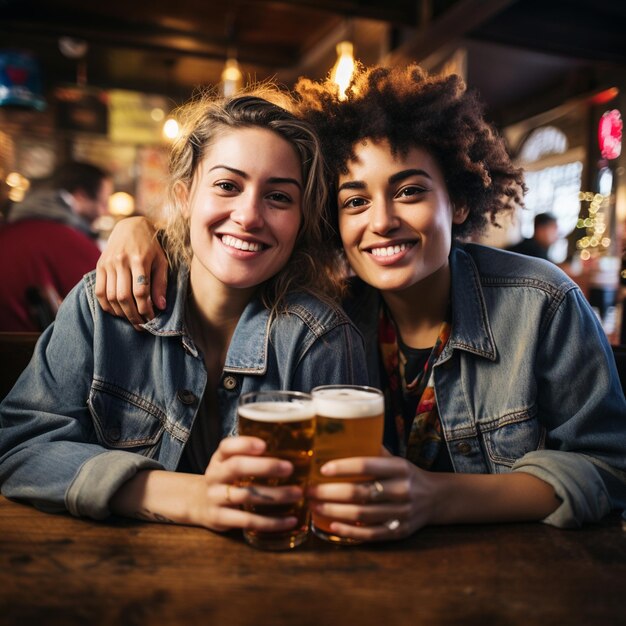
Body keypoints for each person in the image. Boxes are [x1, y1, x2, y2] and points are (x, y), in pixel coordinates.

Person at [92, 65, 626, 541]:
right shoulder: (330, 315)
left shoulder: (542, 302)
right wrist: (143, 230)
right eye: (354, 201)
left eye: (410, 191)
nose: (381, 220)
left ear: (460, 201)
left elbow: (610, 468)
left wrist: (437, 498)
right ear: (329, 217)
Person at [0, 90, 368, 536]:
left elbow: (338, 500)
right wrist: (186, 496)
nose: (249, 216)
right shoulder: (103, 306)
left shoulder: (320, 337)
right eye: (227, 186)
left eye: (279, 197)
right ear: (184, 195)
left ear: (302, 219)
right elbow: (19, 447)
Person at [0, 161, 112, 330]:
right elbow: (108, 310)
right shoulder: (69, 241)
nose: (106, 212)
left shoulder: (10, 230)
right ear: (80, 196)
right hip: (26, 351)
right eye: (103, 203)